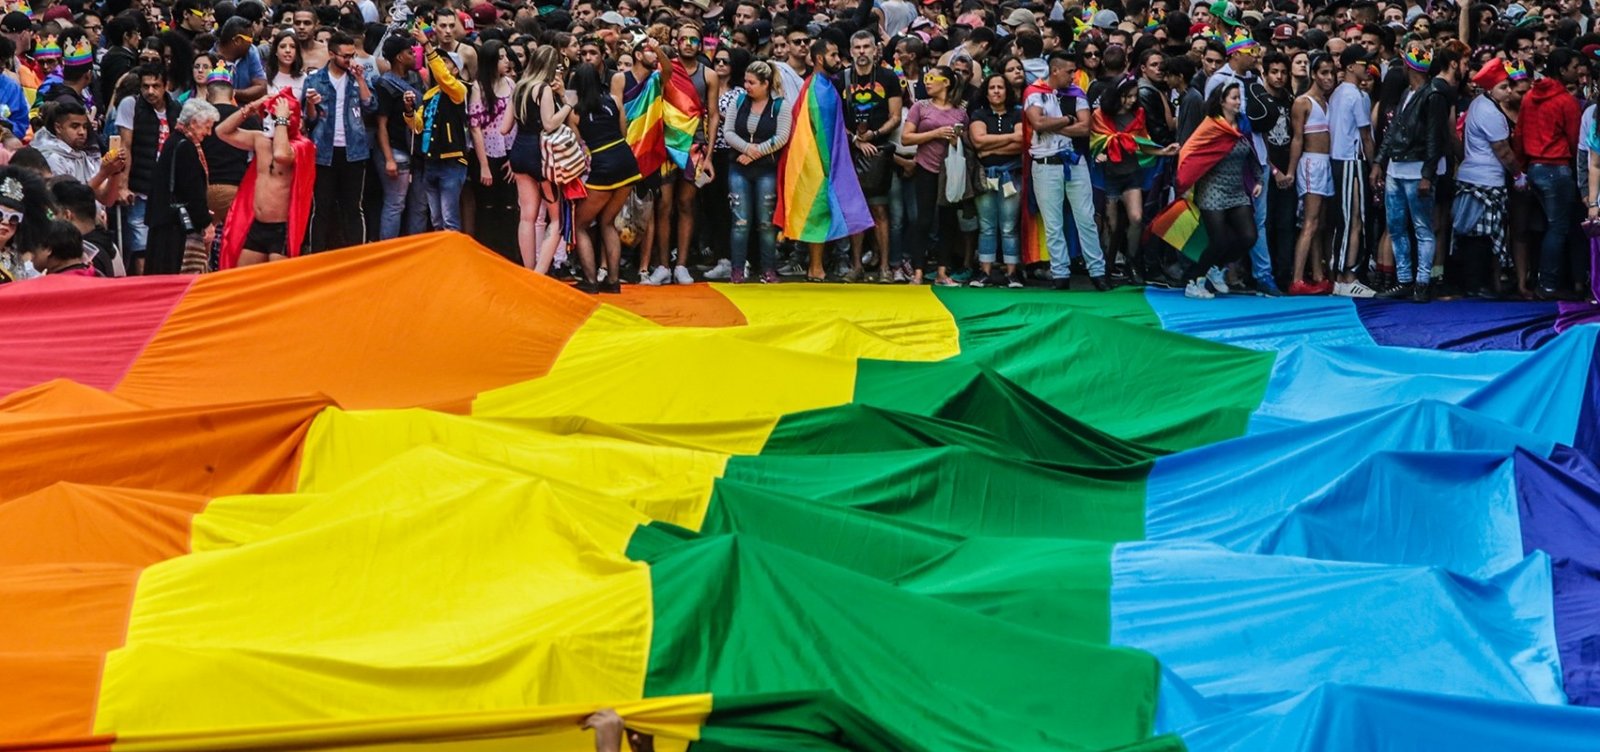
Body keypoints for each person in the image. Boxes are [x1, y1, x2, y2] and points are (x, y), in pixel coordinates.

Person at [1372, 44, 1447, 302]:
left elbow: (1435, 138)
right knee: (1396, 226)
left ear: (1408, 66)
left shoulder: (1433, 95)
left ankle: (1422, 282)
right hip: (1396, 167)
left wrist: (1427, 174)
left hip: (1416, 169)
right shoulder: (1408, 92)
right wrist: (1379, 162)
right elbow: (1393, 130)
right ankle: (1405, 280)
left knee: (1421, 227)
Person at [1024, 51, 1104, 290]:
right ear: (1055, 70)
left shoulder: (1076, 93)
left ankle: (1097, 271)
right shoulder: (1034, 92)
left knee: (1086, 218)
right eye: (1069, 72)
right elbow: (1038, 123)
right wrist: (1069, 120)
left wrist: (1055, 125)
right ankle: (1060, 273)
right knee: (1053, 223)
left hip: (1074, 161)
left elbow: (1085, 128)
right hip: (1045, 164)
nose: (1073, 76)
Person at [215, 90, 316, 268]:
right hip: (256, 225)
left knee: (277, 282)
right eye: (267, 115)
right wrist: (250, 108)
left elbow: (281, 155)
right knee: (242, 278)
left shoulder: (301, 146)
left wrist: (281, 120)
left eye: (273, 117)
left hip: (282, 230)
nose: (268, 120)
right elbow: (221, 131)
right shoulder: (260, 140)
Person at [1181, 82, 1260, 299]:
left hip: (1237, 189)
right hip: (1212, 188)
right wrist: (1185, 182)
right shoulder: (1211, 126)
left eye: (1239, 98)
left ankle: (1215, 267)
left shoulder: (1242, 124)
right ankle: (1193, 281)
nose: (1238, 102)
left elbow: (1251, 152)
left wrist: (1258, 179)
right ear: (1222, 101)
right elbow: (1190, 152)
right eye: (1234, 98)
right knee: (1218, 240)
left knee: (1249, 236)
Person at [1454, 58, 1522, 297]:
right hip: (1486, 180)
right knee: (1483, 235)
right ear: (1490, 88)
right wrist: (1518, 175)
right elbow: (1503, 151)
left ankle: (1477, 284)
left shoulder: (1478, 104)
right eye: (1503, 87)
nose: (1509, 91)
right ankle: (1478, 285)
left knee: (1476, 234)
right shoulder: (1490, 112)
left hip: (1474, 175)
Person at [303, 30, 375, 252]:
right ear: (332, 54)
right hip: (324, 152)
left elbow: (371, 106)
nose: (349, 60)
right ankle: (317, 255)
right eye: (345, 56)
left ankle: (357, 256)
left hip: (354, 151)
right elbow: (310, 120)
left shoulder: (357, 78)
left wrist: (361, 79)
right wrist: (311, 104)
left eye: (352, 55)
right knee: (321, 208)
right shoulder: (315, 80)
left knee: (353, 207)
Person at [1520, 47, 1583, 298]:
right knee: (1558, 228)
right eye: (1575, 67)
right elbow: (1575, 140)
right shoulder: (1566, 101)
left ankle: (1539, 279)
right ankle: (1547, 285)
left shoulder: (1529, 97)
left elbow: (1520, 134)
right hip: (1557, 168)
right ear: (1563, 69)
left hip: (1533, 167)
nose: (1578, 71)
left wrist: (1521, 169)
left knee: (1543, 227)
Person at [839, 29, 901, 282]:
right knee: (855, 211)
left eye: (866, 47)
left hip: (879, 153)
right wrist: (855, 140)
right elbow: (834, 118)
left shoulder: (888, 77)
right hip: (849, 153)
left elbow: (895, 117)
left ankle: (885, 267)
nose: (862, 51)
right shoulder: (842, 78)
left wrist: (874, 135)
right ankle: (856, 266)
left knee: (880, 210)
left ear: (876, 50)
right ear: (851, 51)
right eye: (857, 47)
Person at [573, 61, 641, 293]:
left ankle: (590, 281)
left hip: (602, 165)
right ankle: (613, 281)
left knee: (580, 224)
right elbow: (623, 132)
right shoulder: (614, 101)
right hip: (627, 161)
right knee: (608, 221)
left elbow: (578, 143)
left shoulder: (575, 112)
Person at [721, 59, 791, 283]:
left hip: (765, 169)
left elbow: (782, 136)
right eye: (745, 81)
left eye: (751, 82)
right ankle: (737, 269)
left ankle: (768, 269)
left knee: (766, 223)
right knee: (740, 222)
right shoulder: (739, 101)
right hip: (739, 167)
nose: (746, 86)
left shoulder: (780, 106)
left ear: (765, 84)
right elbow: (728, 132)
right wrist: (747, 148)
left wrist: (755, 152)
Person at [902, 64, 969, 287]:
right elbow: (906, 138)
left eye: (932, 78)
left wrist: (956, 139)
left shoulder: (960, 112)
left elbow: (967, 141)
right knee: (923, 220)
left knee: (948, 221)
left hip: (950, 171)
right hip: (925, 167)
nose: (927, 82)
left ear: (946, 83)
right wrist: (936, 133)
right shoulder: (920, 107)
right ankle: (918, 271)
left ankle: (942, 271)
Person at [506, 44, 569, 272]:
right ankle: (539, 273)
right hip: (541, 156)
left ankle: (528, 270)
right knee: (556, 219)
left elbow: (504, 128)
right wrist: (568, 105)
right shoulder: (543, 89)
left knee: (527, 217)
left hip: (519, 152)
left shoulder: (519, 87)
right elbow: (549, 124)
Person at [116, 63, 181, 275]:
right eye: (145, 86)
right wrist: (123, 186)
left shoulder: (176, 109)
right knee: (141, 245)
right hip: (140, 187)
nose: (150, 91)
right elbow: (125, 146)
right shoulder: (131, 105)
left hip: (168, 190)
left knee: (165, 246)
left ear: (166, 86)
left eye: (156, 86)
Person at [146, 99, 218, 275]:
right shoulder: (185, 147)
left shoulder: (174, 141)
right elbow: (192, 191)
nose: (209, 133)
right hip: (175, 227)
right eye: (207, 127)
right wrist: (205, 222)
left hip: (164, 222)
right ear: (193, 123)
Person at [967, 72, 1025, 288]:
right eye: (992, 88)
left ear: (1007, 91)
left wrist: (991, 147)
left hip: (1012, 175)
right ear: (986, 92)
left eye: (1000, 87)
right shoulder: (979, 114)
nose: (996, 91)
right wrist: (1009, 138)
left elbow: (1021, 141)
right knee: (987, 225)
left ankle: (1012, 274)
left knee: (1009, 226)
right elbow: (978, 141)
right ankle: (985, 272)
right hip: (985, 177)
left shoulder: (1017, 113)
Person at [1327, 46, 1376, 297]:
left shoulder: (1337, 93)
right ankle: (1346, 276)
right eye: (1363, 63)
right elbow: (1366, 135)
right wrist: (1374, 165)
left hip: (1340, 159)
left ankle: (1343, 275)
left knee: (1349, 219)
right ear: (1349, 67)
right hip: (1351, 160)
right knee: (1352, 220)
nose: (1368, 67)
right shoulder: (1355, 96)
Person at [413, 26, 471, 232]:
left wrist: (427, 46)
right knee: (436, 220)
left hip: (451, 162)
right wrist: (409, 111)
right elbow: (418, 126)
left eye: (445, 61)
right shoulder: (429, 95)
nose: (439, 64)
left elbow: (443, 77)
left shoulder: (458, 89)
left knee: (449, 220)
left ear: (455, 70)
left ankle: (453, 252)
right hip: (431, 162)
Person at [1287, 52, 1337, 295]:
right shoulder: (1303, 102)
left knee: (1320, 223)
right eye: (1323, 73)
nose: (1329, 78)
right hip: (1311, 163)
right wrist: (1290, 170)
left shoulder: (1328, 102)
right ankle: (1297, 278)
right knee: (1310, 221)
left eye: (1331, 73)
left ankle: (1318, 274)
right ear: (1314, 74)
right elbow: (1297, 139)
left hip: (1326, 163)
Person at [469, 39, 518, 261]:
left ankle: (508, 254)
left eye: (506, 57)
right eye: (501, 58)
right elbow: (475, 128)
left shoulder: (511, 85)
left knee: (509, 205)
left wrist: (514, 158)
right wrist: (484, 165)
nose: (506, 61)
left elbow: (518, 123)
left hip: (509, 151)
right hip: (486, 154)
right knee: (486, 206)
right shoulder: (478, 87)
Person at [374, 35, 426, 242]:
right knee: (396, 203)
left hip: (418, 151)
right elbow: (381, 124)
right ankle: (389, 250)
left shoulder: (416, 78)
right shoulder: (385, 84)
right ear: (399, 57)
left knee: (420, 205)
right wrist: (389, 159)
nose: (414, 55)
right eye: (410, 52)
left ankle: (415, 248)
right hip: (396, 150)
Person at [51, 179, 122, 277]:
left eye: (52, 214)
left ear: (67, 215)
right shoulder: (108, 244)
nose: (51, 221)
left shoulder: (82, 257)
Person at [216, 16, 268, 104]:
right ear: (237, 40)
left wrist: (231, 93)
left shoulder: (251, 51)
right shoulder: (210, 58)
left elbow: (261, 88)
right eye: (250, 39)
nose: (251, 43)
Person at [267, 30, 307, 100]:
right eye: (283, 46)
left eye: (292, 46)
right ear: (276, 51)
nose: (288, 50)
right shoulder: (265, 76)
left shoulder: (303, 77)